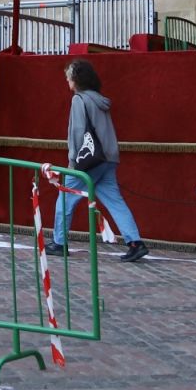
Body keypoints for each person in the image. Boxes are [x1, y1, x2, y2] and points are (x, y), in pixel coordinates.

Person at [50, 58, 149, 263]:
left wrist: (73, 161)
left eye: (69, 78)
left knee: (65, 199)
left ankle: (59, 242)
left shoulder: (79, 100)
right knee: (115, 201)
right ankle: (135, 242)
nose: (67, 82)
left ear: (76, 79)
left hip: (87, 160)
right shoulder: (100, 100)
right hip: (108, 158)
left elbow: (77, 132)